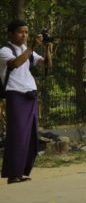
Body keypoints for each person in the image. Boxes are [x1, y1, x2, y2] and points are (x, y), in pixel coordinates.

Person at [1, 20, 52, 184]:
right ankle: (12, 174)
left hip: (30, 94)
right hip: (15, 94)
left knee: (30, 136)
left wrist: (46, 48)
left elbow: (46, 65)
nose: (24, 35)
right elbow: (15, 63)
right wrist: (32, 47)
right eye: (20, 32)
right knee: (17, 134)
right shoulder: (4, 50)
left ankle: (22, 171)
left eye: (26, 32)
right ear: (11, 34)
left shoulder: (26, 49)